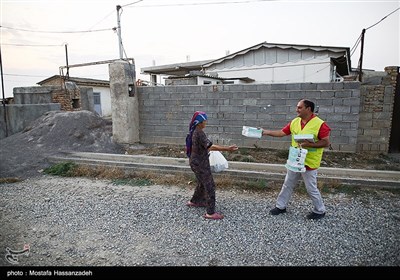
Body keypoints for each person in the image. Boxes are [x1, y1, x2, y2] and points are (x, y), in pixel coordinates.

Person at [261, 99, 331, 220]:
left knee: (311, 188)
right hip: (295, 160)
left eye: (299, 107)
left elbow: (326, 143)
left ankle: (320, 210)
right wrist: (265, 132)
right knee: (287, 184)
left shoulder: (320, 124)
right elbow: (282, 132)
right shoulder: (295, 122)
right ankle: (280, 206)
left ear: (308, 109)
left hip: (309, 162)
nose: (296, 110)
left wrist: (309, 145)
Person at [185, 111, 238, 220]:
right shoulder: (199, 133)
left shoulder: (195, 130)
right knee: (210, 185)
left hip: (195, 162)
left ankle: (195, 201)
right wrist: (227, 148)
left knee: (201, 182)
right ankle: (210, 212)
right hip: (200, 163)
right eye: (204, 121)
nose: (206, 123)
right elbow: (210, 147)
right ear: (199, 122)